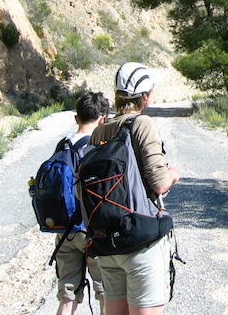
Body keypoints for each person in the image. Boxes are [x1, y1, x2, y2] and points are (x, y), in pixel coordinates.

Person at [88, 62, 181, 315]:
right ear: (144, 97)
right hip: (140, 241)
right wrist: (173, 174)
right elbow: (159, 184)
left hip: (107, 243)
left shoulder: (100, 131)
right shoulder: (142, 124)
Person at [55, 91, 110, 315]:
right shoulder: (98, 146)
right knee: (106, 293)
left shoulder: (63, 145)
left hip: (64, 230)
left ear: (76, 118)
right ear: (103, 119)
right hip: (90, 230)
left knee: (68, 297)